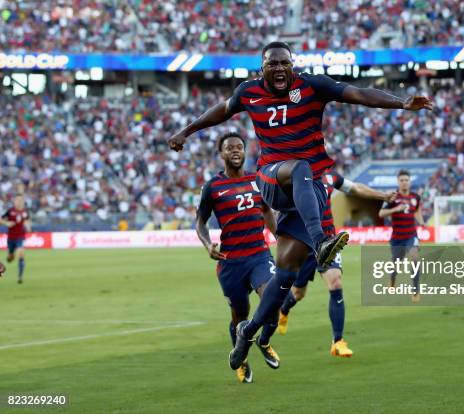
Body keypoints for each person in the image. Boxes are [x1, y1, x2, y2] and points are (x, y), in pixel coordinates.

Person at [168, 41, 433, 370]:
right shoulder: (249, 92)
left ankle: (250, 334)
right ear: (261, 68)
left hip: (304, 199)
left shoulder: (312, 85)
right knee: (301, 166)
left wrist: (402, 103)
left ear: (292, 65)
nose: (279, 69)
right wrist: (186, 130)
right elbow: (221, 111)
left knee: (283, 278)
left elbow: (358, 93)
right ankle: (322, 243)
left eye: (284, 63)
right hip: (271, 179)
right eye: (272, 64)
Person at [278, 169, 396, 357]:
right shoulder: (293, 174)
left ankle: (338, 341)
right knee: (298, 293)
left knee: (336, 282)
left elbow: (355, 188)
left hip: (328, 241)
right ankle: (284, 310)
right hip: (303, 242)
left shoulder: (330, 176)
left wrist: (382, 195)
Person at [196, 132, 280, 383]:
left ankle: (263, 341)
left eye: (240, 147)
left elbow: (266, 210)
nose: (235, 151)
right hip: (231, 262)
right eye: (230, 148)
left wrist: (280, 236)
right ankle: (241, 360)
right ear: (221, 154)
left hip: (258, 255)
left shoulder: (258, 180)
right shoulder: (212, 187)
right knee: (240, 316)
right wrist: (207, 243)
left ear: (245, 152)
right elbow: (200, 221)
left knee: (272, 301)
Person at [378, 170, 425, 301]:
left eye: (406, 180)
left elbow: (417, 211)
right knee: (396, 265)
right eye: (402, 180)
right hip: (397, 238)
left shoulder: (415, 197)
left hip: (411, 235)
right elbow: (381, 214)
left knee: (415, 257)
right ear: (398, 182)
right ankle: (392, 281)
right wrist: (395, 209)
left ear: (410, 182)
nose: (404, 182)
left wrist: (422, 222)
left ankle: (416, 291)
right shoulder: (392, 197)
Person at [1, 194, 31, 284]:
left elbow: (28, 221)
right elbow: (1, 219)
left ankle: (20, 277)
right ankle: (10, 255)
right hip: (11, 238)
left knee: (21, 253)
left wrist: (28, 226)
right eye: (17, 200)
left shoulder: (25, 212)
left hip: (20, 237)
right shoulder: (10, 211)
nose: (19, 202)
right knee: (10, 258)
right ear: (14, 201)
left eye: (21, 200)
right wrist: (7, 223)